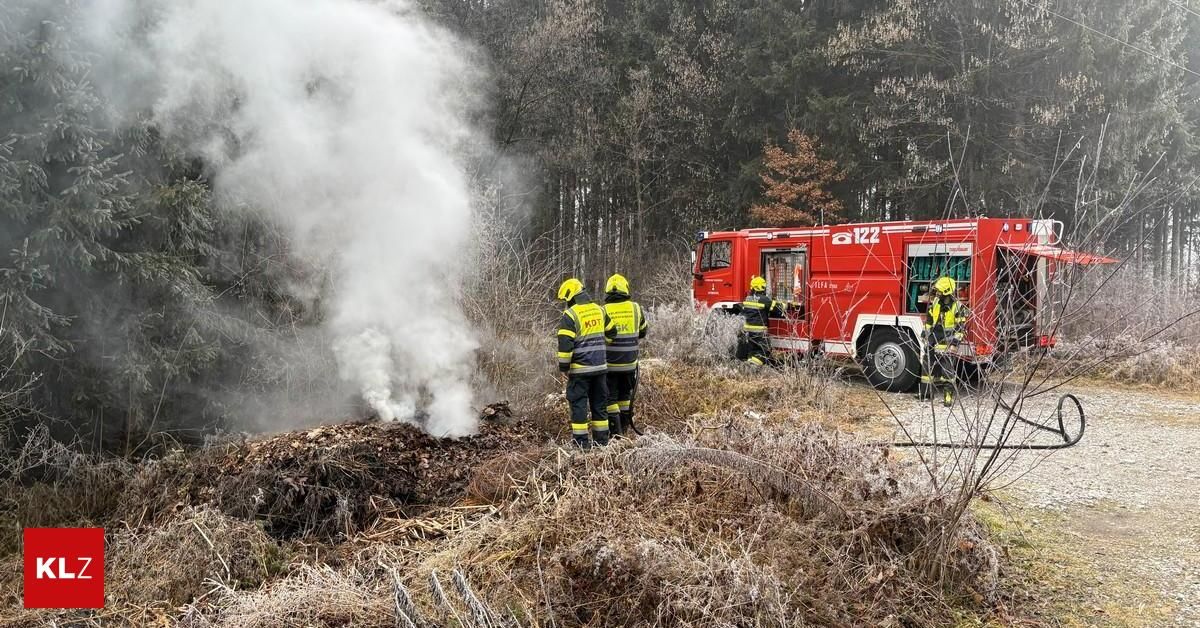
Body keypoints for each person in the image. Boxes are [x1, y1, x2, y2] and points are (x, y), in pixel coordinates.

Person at [556, 278, 618, 448]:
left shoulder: (570, 315)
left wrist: (564, 368)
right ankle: (602, 443)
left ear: (571, 297)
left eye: (566, 301)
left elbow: (565, 346)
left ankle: (581, 444)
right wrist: (600, 344)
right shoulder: (599, 310)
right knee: (599, 405)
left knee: (579, 405)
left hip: (580, 371)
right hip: (600, 370)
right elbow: (612, 333)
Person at [601, 273, 648, 437]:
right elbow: (643, 332)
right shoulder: (636, 308)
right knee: (625, 396)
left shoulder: (604, 310)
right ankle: (626, 426)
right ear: (625, 289)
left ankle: (615, 432)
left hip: (610, 365)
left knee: (610, 398)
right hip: (629, 364)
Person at [918, 276, 966, 407]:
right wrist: (925, 334)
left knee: (947, 370)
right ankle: (925, 393)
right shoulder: (936, 302)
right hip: (934, 337)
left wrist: (955, 343)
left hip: (948, 339)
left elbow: (961, 327)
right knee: (927, 365)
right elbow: (929, 320)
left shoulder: (957, 307)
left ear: (946, 292)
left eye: (939, 291)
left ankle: (948, 396)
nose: (936, 293)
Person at [731, 275, 784, 367]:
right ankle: (752, 368)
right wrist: (786, 305)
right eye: (764, 286)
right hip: (759, 332)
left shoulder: (747, 298)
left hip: (747, 331)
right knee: (763, 352)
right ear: (761, 287)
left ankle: (747, 366)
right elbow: (777, 308)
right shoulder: (764, 299)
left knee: (752, 350)